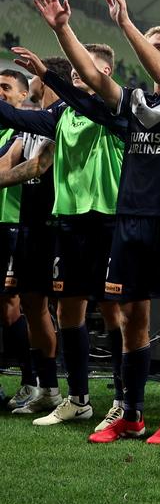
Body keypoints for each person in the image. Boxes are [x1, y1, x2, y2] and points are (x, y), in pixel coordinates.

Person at [31, 0, 160, 445]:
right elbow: (93, 81)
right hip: (129, 224)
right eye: (149, 47)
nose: (152, 54)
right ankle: (130, 414)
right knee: (132, 319)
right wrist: (63, 30)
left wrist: (126, 24)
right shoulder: (134, 102)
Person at [2, 32, 127, 431]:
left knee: (113, 309)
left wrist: (47, 74)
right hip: (70, 223)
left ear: (103, 72)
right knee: (68, 309)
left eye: (83, 67)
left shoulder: (112, 105)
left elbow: (83, 99)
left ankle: (125, 398)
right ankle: (78, 399)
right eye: (71, 69)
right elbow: (20, 118)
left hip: (108, 219)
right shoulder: (62, 115)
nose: (75, 72)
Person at [0, 63, 71, 417]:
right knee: (31, 305)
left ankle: (78, 392)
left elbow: (37, 167)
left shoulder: (60, 120)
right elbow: (10, 164)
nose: (32, 81)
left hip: (54, 225)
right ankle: (46, 389)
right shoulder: (29, 126)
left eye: (36, 75)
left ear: (45, 81)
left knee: (69, 309)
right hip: (29, 225)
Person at [0, 68, 37, 409]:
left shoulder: (22, 129)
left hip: (14, 224)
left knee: (14, 307)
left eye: (6, 87)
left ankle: (31, 379)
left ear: (23, 95)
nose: (0, 92)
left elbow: (6, 171)